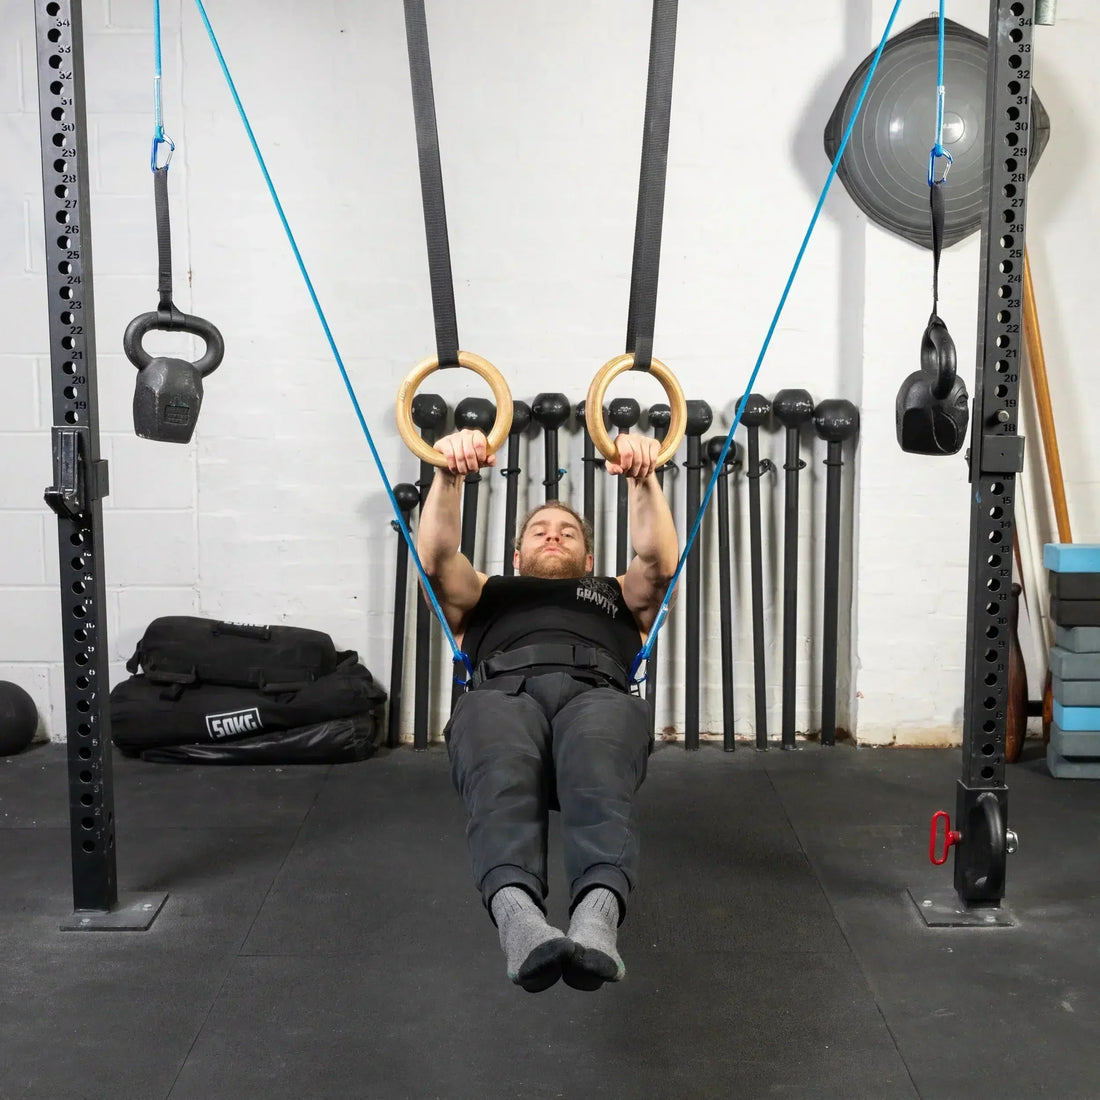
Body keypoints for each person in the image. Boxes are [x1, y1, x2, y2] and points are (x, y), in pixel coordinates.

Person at [418, 426, 678, 993]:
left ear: (588, 555)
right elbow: (437, 561)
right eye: (540, 530)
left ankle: (595, 921)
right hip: (500, 695)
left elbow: (658, 563)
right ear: (518, 554)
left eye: (567, 532)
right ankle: (520, 922)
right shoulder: (488, 589)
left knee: (600, 766)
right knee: (499, 769)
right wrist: (447, 474)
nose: (552, 536)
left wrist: (643, 477)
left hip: (598, 693)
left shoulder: (615, 591)